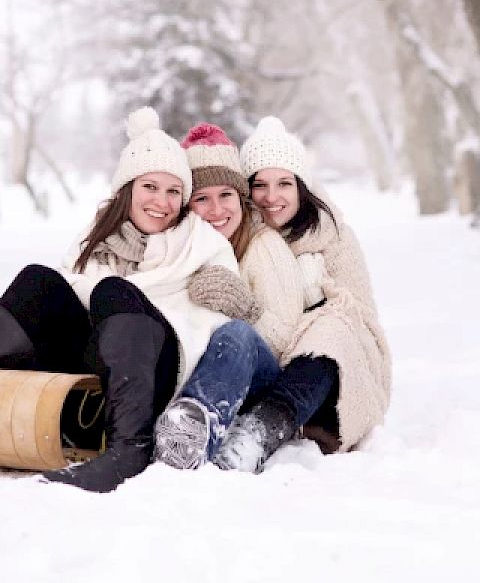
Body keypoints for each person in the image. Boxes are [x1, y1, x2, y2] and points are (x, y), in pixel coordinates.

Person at [0, 107, 240, 492]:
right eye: (150, 187)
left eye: (173, 191)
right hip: (90, 375)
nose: (161, 202)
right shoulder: (96, 239)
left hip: (157, 378)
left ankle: (129, 448)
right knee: (38, 280)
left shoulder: (203, 245)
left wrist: (117, 299)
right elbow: (70, 297)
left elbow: (211, 329)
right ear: (127, 188)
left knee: (113, 290)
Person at [192, 116, 392, 472]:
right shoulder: (238, 233)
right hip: (268, 360)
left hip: (330, 367)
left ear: (302, 187)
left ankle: (259, 432)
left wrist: (317, 320)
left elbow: (363, 316)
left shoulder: (334, 237)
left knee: (333, 325)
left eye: (284, 183)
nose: (272, 197)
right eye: (260, 185)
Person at [153, 123, 305, 469]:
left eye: (226, 196)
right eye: (202, 199)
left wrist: (246, 309)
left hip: (258, 381)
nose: (216, 209)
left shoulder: (262, 247)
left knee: (235, 334)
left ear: (241, 198)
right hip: (193, 370)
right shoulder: (182, 248)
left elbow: (287, 343)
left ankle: (191, 434)